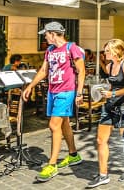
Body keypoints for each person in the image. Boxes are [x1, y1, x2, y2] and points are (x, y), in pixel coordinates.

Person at [22, 21, 86, 182]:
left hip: (66, 91)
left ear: (53, 33)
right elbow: (44, 71)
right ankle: (73, 155)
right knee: (64, 123)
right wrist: (30, 86)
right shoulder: (50, 50)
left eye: (46, 34)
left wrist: (79, 93)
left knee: (53, 125)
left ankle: (51, 165)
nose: (44, 37)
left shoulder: (71, 48)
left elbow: (81, 70)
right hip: (53, 91)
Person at [88, 39, 124, 188]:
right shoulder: (109, 65)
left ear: (115, 51)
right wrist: (101, 95)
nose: (104, 53)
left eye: (106, 51)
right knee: (100, 140)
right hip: (109, 106)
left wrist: (112, 94)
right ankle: (103, 175)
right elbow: (111, 85)